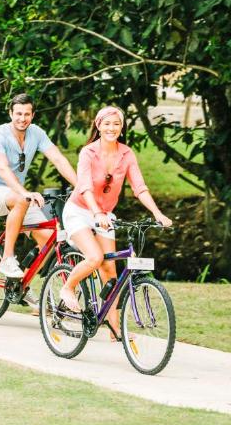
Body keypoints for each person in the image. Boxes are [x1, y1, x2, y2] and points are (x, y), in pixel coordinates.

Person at [59, 105, 172, 339]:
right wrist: (96, 213)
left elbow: (140, 187)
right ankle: (68, 287)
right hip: (80, 211)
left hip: (105, 215)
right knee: (95, 258)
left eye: (116, 124)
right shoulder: (88, 152)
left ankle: (114, 329)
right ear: (98, 126)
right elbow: (85, 187)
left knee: (110, 271)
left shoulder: (126, 154)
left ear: (122, 127)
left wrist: (157, 213)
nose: (112, 128)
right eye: (107, 123)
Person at [0, 93, 77, 279]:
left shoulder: (36, 133)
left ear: (33, 115)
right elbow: (3, 169)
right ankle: (7, 259)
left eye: (27, 114)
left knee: (49, 240)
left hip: (17, 196)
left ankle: (21, 286)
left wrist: (80, 187)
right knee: (21, 199)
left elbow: (58, 159)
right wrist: (24, 192)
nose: (22, 118)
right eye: (18, 114)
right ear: (10, 113)